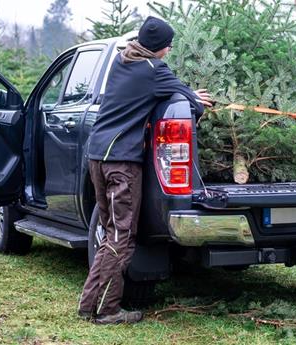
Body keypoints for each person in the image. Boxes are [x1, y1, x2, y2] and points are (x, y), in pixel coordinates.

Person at [77, 16, 213, 324]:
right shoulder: (154, 70)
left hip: (97, 156)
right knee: (122, 237)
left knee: (111, 232)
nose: (169, 50)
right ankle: (108, 310)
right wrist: (196, 97)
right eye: (168, 45)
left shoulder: (122, 60)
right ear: (163, 47)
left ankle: (88, 305)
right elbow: (193, 104)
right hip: (122, 163)